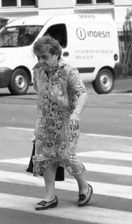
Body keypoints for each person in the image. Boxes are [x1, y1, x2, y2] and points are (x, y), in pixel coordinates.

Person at [31, 35, 93, 210]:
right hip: (45, 122)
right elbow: (39, 91)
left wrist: (76, 114)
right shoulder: (37, 71)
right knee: (46, 157)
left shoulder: (69, 71)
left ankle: (84, 186)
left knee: (66, 155)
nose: (41, 61)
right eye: (38, 57)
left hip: (67, 120)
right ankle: (50, 196)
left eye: (45, 57)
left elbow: (83, 93)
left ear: (56, 54)